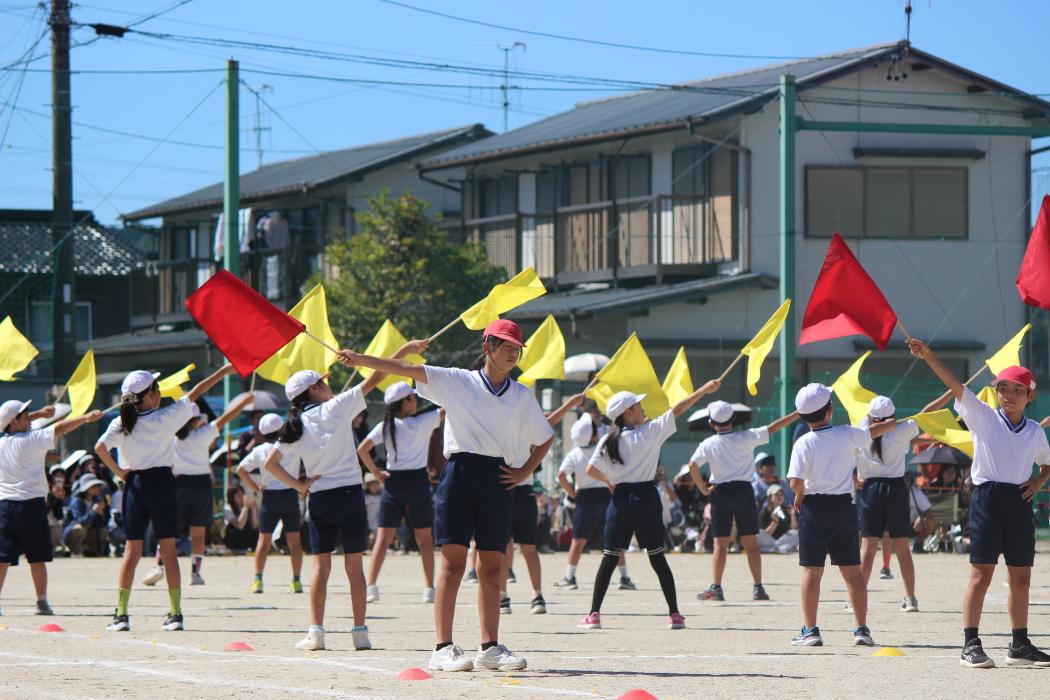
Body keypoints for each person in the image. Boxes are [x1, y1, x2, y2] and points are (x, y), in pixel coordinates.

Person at [340, 320, 554, 673]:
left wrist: (523, 472)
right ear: (486, 347)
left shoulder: (521, 395)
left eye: (517, 348)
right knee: (453, 564)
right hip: (459, 475)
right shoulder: (458, 381)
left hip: (498, 478)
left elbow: (544, 438)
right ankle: (442, 647)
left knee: (492, 566)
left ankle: (490, 647)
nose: (513, 353)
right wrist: (362, 359)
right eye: (506, 346)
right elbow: (406, 368)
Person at [263, 339, 422, 653]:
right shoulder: (338, 406)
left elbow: (271, 464)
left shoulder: (294, 424)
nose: (328, 385)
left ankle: (316, 633)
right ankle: (360, 633)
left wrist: (299, 485)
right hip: (350, 496)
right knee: (354, 568)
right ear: (313, 389)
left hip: (319, 498)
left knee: (320, 569)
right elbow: (378, 375)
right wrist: (405, 350)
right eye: (323, 382)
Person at [908, 338, 1050, 668]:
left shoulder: (1034, 431)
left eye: (1017, 390)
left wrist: (1039, 480)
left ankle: (1019, 645)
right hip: (987, 498)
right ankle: (970, 643)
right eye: (1003, 389)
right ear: (996, 392)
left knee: (1021, 576)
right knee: (981, 574)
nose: (1009, 395)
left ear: (1030, 396)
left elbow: (1046, 464)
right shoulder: (983, 416)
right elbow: (955, 385)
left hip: (1018, 500)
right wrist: (929, 355)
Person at [95, 364, 236, 633]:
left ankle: (121, 615)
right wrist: (222, 372)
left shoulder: (121, 423)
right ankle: (175, 614)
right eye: (157, 389)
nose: (159, 393)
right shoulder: (166, 417)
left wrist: (120, 472)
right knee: (169, 551)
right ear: (151, 395)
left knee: (131, 553)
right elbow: (197, 392)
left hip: (135, 485)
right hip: (163, 484)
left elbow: (99, 447)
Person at [578, 380, 720, 632]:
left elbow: (590, 470)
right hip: (646, 497)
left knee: (609, 557)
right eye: (637, 405)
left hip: (620, 498)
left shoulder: (608, 439)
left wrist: (610, 481)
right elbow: (678, 409)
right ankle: (674, 614)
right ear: (627, 413)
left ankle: (594, 614)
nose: (642, 408)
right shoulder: (651, 432)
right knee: (657, 556)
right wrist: (704, 389)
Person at [786, 383, 899, 648]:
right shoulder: (847, 433)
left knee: (812, 570)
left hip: (814, 508)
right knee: (853, 572)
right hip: (843, 507)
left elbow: (795, 482)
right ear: (830, 410)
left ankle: (810, 630)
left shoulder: (803, 442)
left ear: (802, 416)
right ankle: (861, 629)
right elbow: (871, 432)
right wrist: (892, 423)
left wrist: (800, 495)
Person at [687, 401, 798, 602]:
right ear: (734, 419)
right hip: (744, 491)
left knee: (720, 543)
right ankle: (758, 587)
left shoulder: (708, 443)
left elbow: (692, 465)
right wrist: (798, 413)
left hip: (721, 492)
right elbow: (773, 427)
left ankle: (717, 587)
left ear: (711, 423)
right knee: (751, 542)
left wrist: (703, 489)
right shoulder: (746, 437)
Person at [0, 400, 102, 615]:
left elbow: (10, 422)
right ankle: (41, 602)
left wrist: (39, 414)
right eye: (25, 415)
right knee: (37, 557)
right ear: (15, 422)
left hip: (4, 506)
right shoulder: (33, 439)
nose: (28, 418)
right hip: (31, 505)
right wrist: (86, 418)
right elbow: (60, 427)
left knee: (2, 559)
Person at [142, 395, 252, 587]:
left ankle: (158, 565)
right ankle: (195, 573)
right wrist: (244, 402)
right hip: (202, 485)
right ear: (197, 419)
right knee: (198, 533)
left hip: (179, 485)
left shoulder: (172, 437)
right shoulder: (204, 434)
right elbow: (226, 417)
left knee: (170, 531)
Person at [854, 393, 946, 614]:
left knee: (867, 547)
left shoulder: (860, 428)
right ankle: (911, 598)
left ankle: (856, 598)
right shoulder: (901, 430)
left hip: (869, 488)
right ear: (892, 416)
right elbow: (927, 411)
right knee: (902, 547)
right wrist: (951, 392)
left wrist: (853, 480)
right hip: (896, 488)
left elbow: (845, 454)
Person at [357, 382, 442, 606]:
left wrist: (377, 473)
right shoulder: (424, 421)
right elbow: (448, 409)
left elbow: (362, 449)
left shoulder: (385, 426)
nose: (416, 401)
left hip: (393, 483)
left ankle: (372, 586)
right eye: (413, 398)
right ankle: (429, 589)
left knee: (383, 538)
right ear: (405, 403)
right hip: (418, 483)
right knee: (425, 539)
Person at [500, 393, 584, 616]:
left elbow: (552, 420)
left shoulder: (529, 425)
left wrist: (571, 403)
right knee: (503, 547)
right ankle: (502, 595)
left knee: (528, 547)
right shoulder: (499, 420)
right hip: (501, 490)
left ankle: (537, 595)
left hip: (522, 490)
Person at [554, 414, 632, 590]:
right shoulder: (603, 449)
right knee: (614, 538)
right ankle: (625, 578)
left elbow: (560, 475)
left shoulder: (574, 453)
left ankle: (570, 577)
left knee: (578, 539)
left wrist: (571, 493)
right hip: (605, 496)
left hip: (584, 498)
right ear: (594, 436)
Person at [236, 412, 305, 594]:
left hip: (269, 497)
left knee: (264, 540)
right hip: (290, 495)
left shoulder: (259, 450)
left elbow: (241, 469)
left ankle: (258, 580)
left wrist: (256, 487)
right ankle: (296, 581)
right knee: (294, 541)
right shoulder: (294, 445)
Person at [63, 474, 110, 557]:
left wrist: (101, 514)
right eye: (93, 486)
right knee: (80, 528)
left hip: (89, 532)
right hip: (72, 533)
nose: (97, 488)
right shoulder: (77, 501)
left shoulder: (97, 500)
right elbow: (80, 521)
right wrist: (93, 511)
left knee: (103, 530)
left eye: (97, 486)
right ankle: (76, 552)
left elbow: (103, 523)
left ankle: (96, 553)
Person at [756, 484, 799, 554]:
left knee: (796, 533)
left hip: (783, 540)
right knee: (759, 534)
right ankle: (779, 548)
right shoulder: (764, 512)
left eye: (781, 495)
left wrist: (792, 515)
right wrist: (774, 522)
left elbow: (793, 528)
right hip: (769, 540)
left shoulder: (786, 510)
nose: (780, 497)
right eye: (776, 495)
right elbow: (766, 533)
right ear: (770, 497)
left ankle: (772, 549)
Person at [223, 484, 259, 551]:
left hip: (247, 541)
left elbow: (255, 526)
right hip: (234, 541)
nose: (242, 498)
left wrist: (254, 509)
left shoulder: (245, 507)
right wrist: (245, 507)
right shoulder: (228, 508)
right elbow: (239, 526)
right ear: (231, 497)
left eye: (243, 495)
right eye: (238, 496)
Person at [46, 470, 67, 551]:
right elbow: (43, 512)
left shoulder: (65, 490)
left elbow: (59, 516)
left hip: (53, 525)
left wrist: (59, 500)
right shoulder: (43, 489)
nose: (59, 478)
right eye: (56, 476)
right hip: (39, 524)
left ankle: (51, 550)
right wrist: (52, 496)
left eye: (61, 476)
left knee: (57, 528)